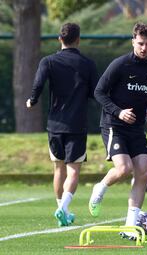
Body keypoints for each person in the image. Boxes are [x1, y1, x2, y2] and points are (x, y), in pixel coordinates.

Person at [88, 22, 147, 239]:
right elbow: (99, 92)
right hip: (114, 125)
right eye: (140, 43)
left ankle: (130, 226)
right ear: (133, 42)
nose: (144, 48)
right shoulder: (120, 64)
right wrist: (119, 112)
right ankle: (100, 188)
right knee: (124, 168)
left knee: (142, 170)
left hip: (136, 128)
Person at [26, 23, 98, 227]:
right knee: (73, 171)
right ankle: (63, 208)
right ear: (78, 39)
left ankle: (61, 209)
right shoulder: (87, 64)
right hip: (77, 125)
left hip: (54, 124)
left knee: (59, 169)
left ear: (60, 39)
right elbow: (96, 92)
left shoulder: (48, 61)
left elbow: (38, 85)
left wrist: (32, 100)